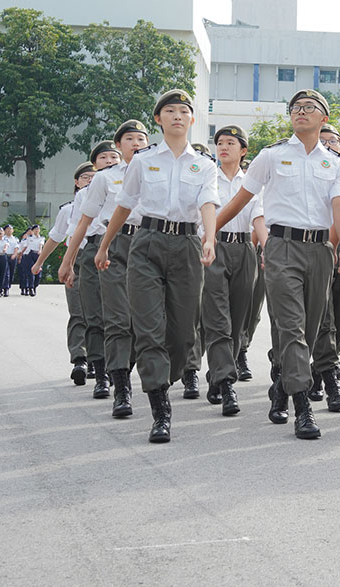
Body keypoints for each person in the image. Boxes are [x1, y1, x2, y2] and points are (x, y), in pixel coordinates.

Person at [215, 89, 340, 440]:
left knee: (306, 328)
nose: (301, 112)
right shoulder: (271, 156)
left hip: (320, 250)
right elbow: (241, 200)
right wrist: (208, 232)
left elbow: (339, 207)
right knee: (291, 328)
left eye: (309, 108)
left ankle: (281, 385)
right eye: (296, 108)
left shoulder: (336, 164)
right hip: (281, 248)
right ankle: (303, 408)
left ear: (324, 118)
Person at [95, 89, 219, 444]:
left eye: (183, 111)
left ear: (192, 120)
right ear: (159, 119)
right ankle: (160, 408)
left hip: (186, 245)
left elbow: (209, 202)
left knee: (182, 335)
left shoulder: (205, 165)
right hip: (145, 244)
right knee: (148, 329)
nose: (177, 115)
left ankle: (166, 374)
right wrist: (104, 245)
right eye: (170, 111)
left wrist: (208, 238)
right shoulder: (143, 160)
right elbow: (124, 203)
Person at [62, 122, 149, 414]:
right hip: (108, 247)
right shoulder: (105, 179)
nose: (135, 143)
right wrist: (68, 260)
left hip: (147, 245)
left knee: (143, 320)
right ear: (119, 146)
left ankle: (121, 367)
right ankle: (117, 384)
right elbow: (83, 223)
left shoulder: (157, 172)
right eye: (129, 139)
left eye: (141, 138)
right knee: (112, 318)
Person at [197, 126, 266, 416]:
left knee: (240, 320)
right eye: (219, 142)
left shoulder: (252, 183)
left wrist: (267, 248)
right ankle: (226, 382)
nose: (223, 147)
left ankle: (218, 372)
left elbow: (259, 218)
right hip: (213, 250)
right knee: (218, 319)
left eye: (230, 143)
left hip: (244, 251)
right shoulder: (205, 177)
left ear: (243, 150)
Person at [308, 123, 340, 411]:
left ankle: (328, 357)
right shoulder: (309, 171)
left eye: (334, 142)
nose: (329, 145)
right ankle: (323, 370)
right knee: (321, 314)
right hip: (316, 247)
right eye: (323, 140)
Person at [33, 162, 95, 384]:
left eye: (93, 177)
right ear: (77, 182)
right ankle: (80, 359)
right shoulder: (68, 210)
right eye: (86, 177)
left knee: (102, 315)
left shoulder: (110, 204)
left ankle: (101, 361)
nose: (90, 180)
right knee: (78, 312)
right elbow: (56, 237)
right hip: (76, 261)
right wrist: (39, 262)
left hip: (101, 261)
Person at [2, 225, 19, 296]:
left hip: (12, 256)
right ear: (4, 231)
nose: (9, 230)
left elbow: (16, 247)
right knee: (6, 273)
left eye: (10, 229)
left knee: (11, 273)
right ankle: (5, 288)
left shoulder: (15, 239)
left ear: (13, 230)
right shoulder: (2, 238)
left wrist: (14, 255)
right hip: (4, 256)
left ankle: (8, 286)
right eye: (7, 229)